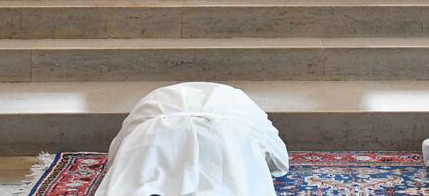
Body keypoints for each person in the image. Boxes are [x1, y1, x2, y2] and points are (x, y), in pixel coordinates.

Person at [96, 82, 289, 196]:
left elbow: (116, 155)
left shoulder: (153, 102)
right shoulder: (243, 107)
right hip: (223, 137)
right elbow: (279, 161)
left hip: (152, 135)